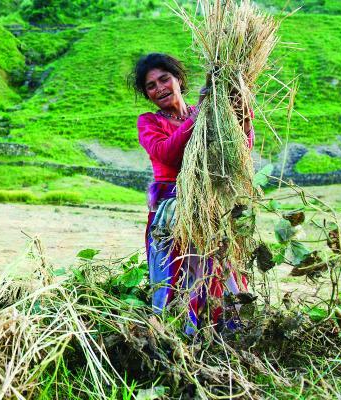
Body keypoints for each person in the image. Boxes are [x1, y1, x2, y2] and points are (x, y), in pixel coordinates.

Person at [131, 53, 254, 334]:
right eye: (151, 86)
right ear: (147, 95)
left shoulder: (206, 114)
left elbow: (237, 152)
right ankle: (179, 338)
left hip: (210, 206)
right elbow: (168, 154)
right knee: (179, 277)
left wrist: (243, 116)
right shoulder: (149, 122)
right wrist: (200, 111)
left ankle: (223, 338)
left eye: (165, 79)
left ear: (179, 80)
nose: (160, 88)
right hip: (173, 213)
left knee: (219, 273)